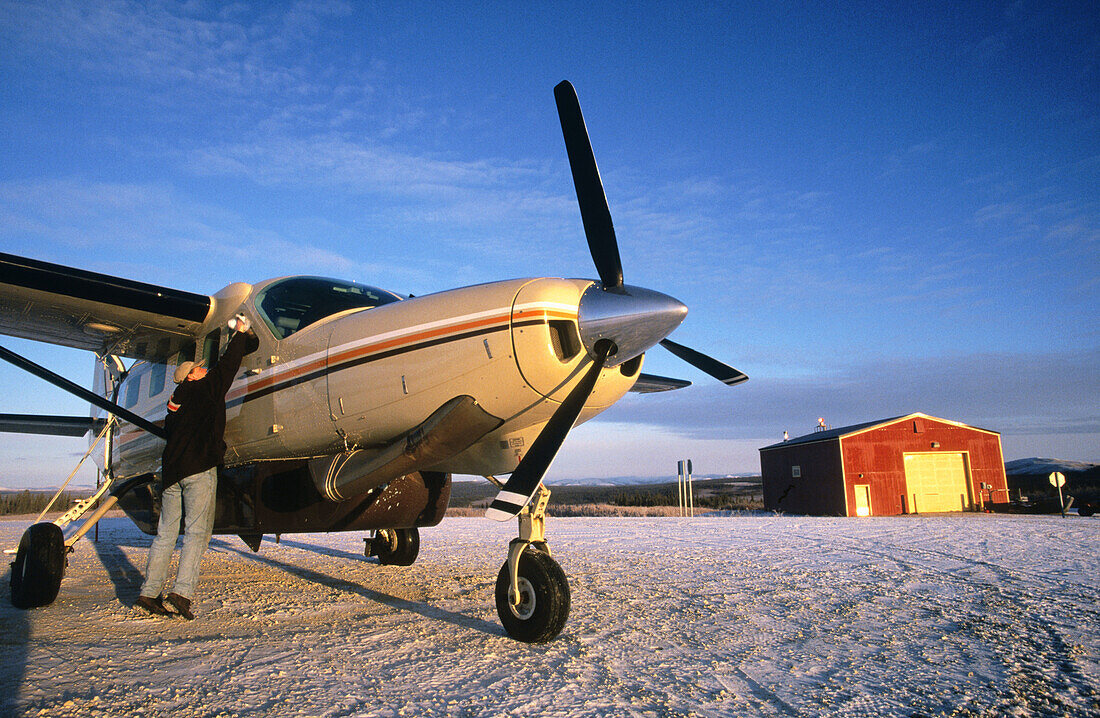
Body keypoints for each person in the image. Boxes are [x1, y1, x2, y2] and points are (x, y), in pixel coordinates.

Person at [136, 314, 259, 618]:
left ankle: (149, 593)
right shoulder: (207, 389)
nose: (205, 369)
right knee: (196, 534)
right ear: (191, 375)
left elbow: (169, 431)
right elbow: (229, 364)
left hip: (171, 475)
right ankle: (182, 593)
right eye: (200, 368)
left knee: (166, 534)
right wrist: (241, 334)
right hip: (199, 470)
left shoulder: (175, 404)